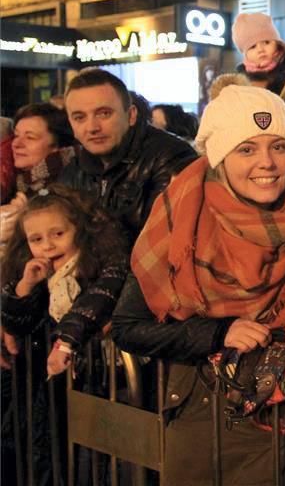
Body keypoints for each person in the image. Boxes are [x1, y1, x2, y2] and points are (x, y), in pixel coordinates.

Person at [112, 85, 285, 486]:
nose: (267, 163)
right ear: (220, 156)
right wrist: (218, 332)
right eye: (246, 149)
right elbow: (128, 326)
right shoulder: (182, 212)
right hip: (207, 419)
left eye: (279, 146)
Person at [59, 69, 197, 246]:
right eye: (79, 117)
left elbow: (161, 244)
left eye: (104, 113)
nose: (92, 127)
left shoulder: (171, 156)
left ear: (131, 115)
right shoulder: (74, 169)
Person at [1, 185, 127, 377]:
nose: (48, 246)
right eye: (36, 239)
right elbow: (17, 325)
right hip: (61, 379)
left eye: (58, 234)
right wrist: (24, 286)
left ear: (80, 229)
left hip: (107, 373)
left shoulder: (96, 265)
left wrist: (65, 342)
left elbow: (100, 297)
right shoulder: (38, 275)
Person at [1, 104, 77, 245]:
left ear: (56, 146)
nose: (16, 144)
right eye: (16, 135)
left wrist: (22, 222)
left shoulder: (69, 183)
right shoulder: (17, 182)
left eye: (30, 138)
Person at [233, 12, 285, 94]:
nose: (261, 49)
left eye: (266, 42)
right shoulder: (242, 81)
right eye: (253, 47)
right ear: (245, 54)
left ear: (277, 43)